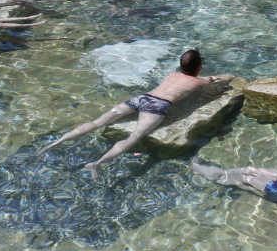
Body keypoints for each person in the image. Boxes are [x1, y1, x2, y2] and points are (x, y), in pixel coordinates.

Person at [37, 50, 234, 179]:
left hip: (142, 98)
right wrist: (220, 82)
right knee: (135, 136)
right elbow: (217, 86)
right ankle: (96, 164)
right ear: (199, 68)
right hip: (158, 106)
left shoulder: (172, 74)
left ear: (180, 65)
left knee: (97, 122)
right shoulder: (200, 81)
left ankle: (55, 143)